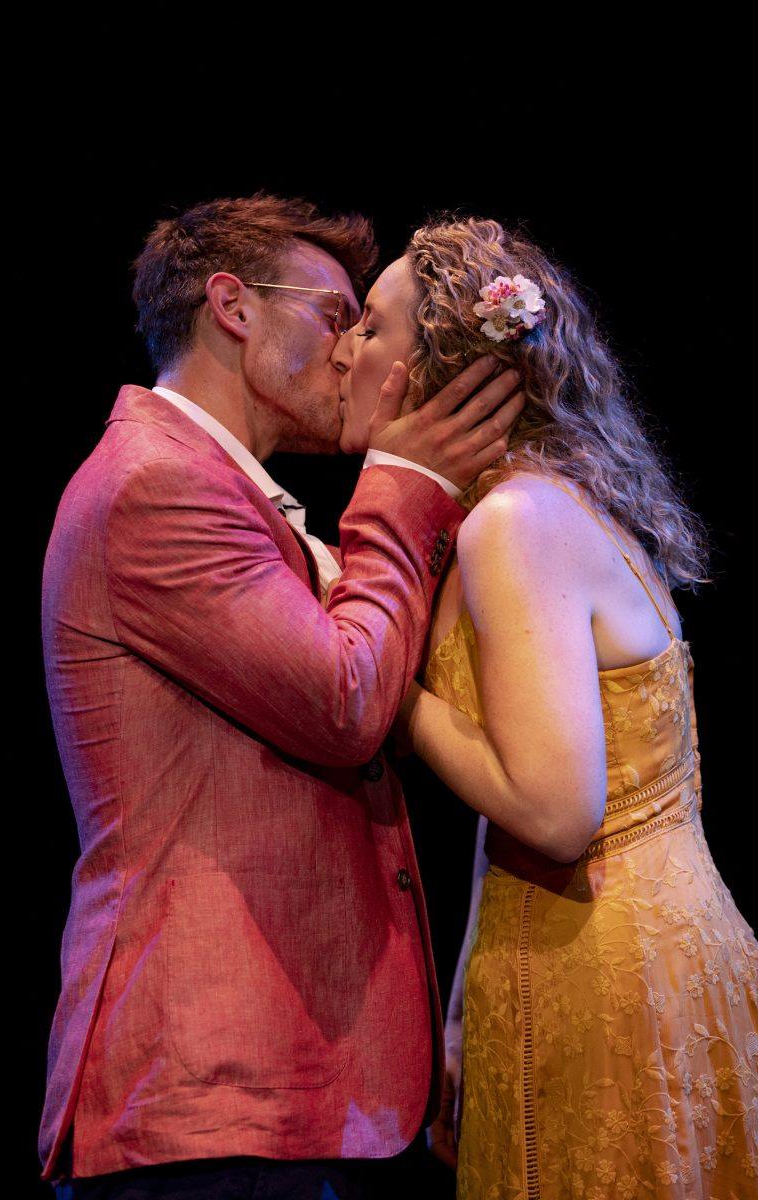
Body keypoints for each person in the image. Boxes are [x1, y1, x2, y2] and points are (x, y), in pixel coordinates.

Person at [40, 194, 526, 1199]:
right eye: (333, 315)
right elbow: (344, 705)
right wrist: (399, 485)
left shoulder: (225, 489)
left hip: (281, 1085)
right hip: (208, 1083)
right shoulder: (156, 484)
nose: (349, 353)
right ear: (233, 306)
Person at [332, 215, 758, 1198]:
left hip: (603, 968)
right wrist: (457, 1011)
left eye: (370, 327)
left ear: (434, 370)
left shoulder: (514, 524)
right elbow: (525, 787)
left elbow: (555, 814)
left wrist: (388, 692)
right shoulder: (547, 501)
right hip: (625, 946)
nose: (346, 351)